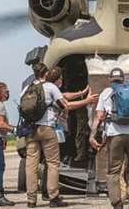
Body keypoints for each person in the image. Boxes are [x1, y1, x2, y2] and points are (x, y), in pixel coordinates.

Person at [25, 66, 99, 208]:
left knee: (31, 166)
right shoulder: (50, 88)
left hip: (30, 130)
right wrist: (87, 101)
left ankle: (31, 199)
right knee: (53, 163)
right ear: (46, 74)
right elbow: (66, 105)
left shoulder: (28, 89)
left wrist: (81, 93)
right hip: (47, 129)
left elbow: (64, 95)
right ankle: (53, 197)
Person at [89, 68, 129, 209]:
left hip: (114, 135)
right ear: (123, 78)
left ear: (110, 79)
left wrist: (93, 134)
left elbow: (100, 116)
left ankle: (117, 203)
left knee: (114, 170)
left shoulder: (106, 93)